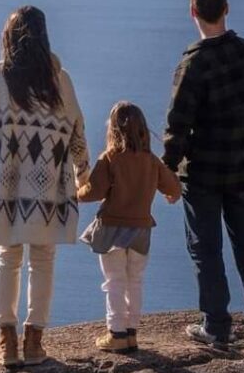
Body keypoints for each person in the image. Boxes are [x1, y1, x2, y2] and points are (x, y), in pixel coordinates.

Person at [0, 6, 90, 368]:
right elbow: (77, 130)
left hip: (6, 183)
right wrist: (83, 171)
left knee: (8, 259)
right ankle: (34, 340)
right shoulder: (59, 81)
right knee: (43, 260)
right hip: (49, 184)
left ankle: (7, 340)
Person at [163, 0, 244, 351]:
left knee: (206, 248)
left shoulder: (193, 65)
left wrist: (165, 170)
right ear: (226, 8)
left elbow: (177, 128)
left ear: (193, 12)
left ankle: (216, 325)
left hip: (202, 174)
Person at [78, 101, 182, 352]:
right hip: (141, 230)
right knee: (135, 280)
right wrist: (171, 193)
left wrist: (76, 190)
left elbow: (93, 192)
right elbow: (174, 189)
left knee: (114, 281)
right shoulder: (151, 161)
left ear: (113, 130)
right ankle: (132, 332)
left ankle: (116, 333)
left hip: (112, 227)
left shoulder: (110, 159)